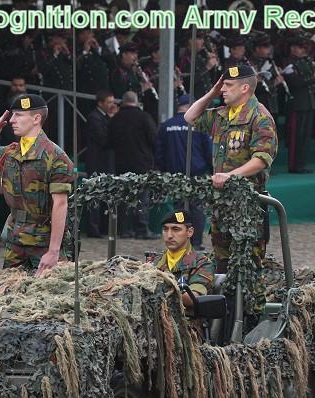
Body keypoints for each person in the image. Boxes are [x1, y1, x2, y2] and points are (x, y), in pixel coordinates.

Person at [184, 63, 278, 314]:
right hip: (222, 205)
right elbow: (190, 117)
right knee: (222, 260)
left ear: (245, 87)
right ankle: (224, 316)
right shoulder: (224, 114)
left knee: (248, 264)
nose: (223, 89)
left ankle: (250, 315)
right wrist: (213, 92)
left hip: (248, 207)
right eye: (223, 85)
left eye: (228, 85)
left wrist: (231, 176)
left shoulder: (259, 117)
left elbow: (261, 159)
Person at [0, 94, 74, 275]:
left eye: (18, 115)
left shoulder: (56, 157)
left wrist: (54, 251)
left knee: (46, 297)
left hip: (44, 243)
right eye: (12, 115)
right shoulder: (9, 153)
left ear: (36, 119)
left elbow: (60, 205)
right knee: (11, 295)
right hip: (16, 242)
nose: (12, 120)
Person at [155, 94, 213, 250]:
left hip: (175, 176)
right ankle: (197, 242)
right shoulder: (198, 124)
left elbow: (159, 152)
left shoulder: (166, 126)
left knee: (179, 209)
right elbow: (209, 151)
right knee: (197, 209)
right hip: (197, 175)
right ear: (190, 106)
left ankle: (180, 241)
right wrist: (213, 170)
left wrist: (161, 171)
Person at [108, 91, 157, 239]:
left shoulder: (115, 119)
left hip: (121, 163)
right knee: (142, 197)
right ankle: (141, 229)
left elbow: (109, 141)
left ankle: (124, 229)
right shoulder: (144, 117)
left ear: (123, 102)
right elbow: (154, 139)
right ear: (136, 102)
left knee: (124, 197)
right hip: (142, 163)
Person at [152, 210, 214, 311]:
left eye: (176, 229)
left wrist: (158, 289)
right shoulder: (154, 263)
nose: (169, 235)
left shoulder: (202, 264)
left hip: (186, 323)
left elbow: (192, 299)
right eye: (165, 229)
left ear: (190, 232)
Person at [283, 36, 315, 173]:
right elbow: (295, 82)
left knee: (305, 137)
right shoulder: (289, 63)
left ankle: (302, 164)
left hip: (309, 103)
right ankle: (294, 165)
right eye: (297, 47)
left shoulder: (307, 61)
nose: (299, 50)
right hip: (297, 104)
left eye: (301, 47)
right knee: (296, 137)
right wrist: (314, 76)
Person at [82, 89, 116, 238]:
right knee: (95, 197)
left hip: (106, 162)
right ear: (100, 103)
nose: (112, 105)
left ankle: (103, 228)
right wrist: (113, 119)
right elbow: (103, 139)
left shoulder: (104, 117)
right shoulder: (94, 118)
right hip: (97, 163)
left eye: (113, 102)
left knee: (105, 196)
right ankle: (93, 228)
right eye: (109, 102)